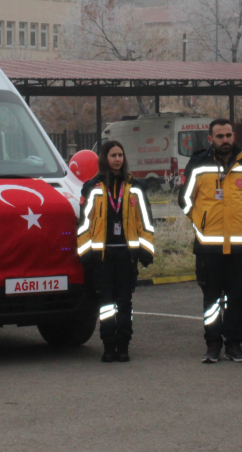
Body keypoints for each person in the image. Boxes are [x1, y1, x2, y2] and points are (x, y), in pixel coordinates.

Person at [181, 118, 242, 364]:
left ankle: (234, 345)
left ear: (233, 136)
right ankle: (213, 344)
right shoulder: (198, 164)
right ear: (210, 139)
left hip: (238, 245)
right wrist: (201, 224)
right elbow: (185, 200)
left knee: (237, 297)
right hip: (209, 245)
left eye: (228, 135)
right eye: (219, 136)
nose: (225, 140)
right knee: (212, 298)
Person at [77, 140, 155, 362]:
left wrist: (146, 250)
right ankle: (108, 346)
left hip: (126, 255)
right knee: (106, 303)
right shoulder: (92, 187)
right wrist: (85, 254)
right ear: (104, 158)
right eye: (113, 155)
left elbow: (146, 222)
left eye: (120, 155)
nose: (118, 159)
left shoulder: (135, 187)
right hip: (102, 256)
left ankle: (123, 346)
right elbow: (84, 224)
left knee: (124, 302)